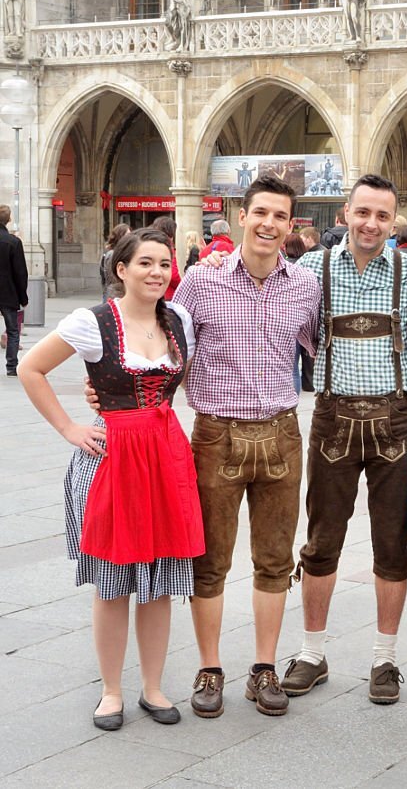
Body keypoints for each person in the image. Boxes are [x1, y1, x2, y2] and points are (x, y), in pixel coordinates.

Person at [19, 228, 203, 730]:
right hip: (112, 456)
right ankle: (111, 691)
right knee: (112, 582)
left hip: (165, 454)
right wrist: (70, 427)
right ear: (121, 269)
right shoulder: (92, 321)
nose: (157, 272)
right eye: (145, 263)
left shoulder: (179, 319)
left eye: (164, 264)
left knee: (161, 581)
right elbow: (30, 367)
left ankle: (153, 687)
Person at [280, 174, 407, 705]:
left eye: (383, 216)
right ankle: (311, 652)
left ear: (394, 222)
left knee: (392, 544)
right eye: (363, 212)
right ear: (345, 214)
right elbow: (265, 307)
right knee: (322, 541)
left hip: (396, 424)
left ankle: (384, 660)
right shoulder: (309, 269)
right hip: (333, 420)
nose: (372, 224)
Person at [174, 175, 321, 719]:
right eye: (260, 212)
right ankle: (210, 667)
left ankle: (264, 667)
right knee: (209, 560)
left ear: (290, 225)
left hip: (281, 434)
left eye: (279, 216)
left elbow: (323, 348)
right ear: (241, 216)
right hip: (216, 436)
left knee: (275, 559)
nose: (268, 224)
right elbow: (171, 353)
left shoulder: (305, 286)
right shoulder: (199, 281)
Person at [0, 204, 28, 376]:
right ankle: (11, 365)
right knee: (12, 330)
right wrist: (23, 297)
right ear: (9, 219)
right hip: (8, 293)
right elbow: (20, 272)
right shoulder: (13, 242)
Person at [150, 216, 182, 300]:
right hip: (167, 294)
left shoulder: (149, 243)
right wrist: (181, 286)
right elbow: (173, 275)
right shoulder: (167, 246)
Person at [101, 224, 131, 301]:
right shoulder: (112, 254)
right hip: (114, 295)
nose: (129, 238)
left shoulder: (121, 252)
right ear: (119, 236)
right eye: (127, 235)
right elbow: (113, 278)